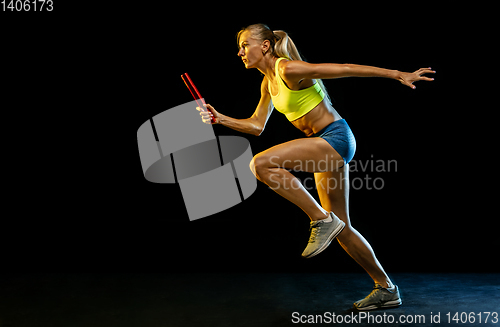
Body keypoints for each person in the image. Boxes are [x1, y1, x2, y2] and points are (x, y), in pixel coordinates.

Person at [196, 23, 434, 310]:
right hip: (322, 144)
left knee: (261, 164)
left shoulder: (287, 69)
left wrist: (396, 74)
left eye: (245, 44)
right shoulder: (268, 82)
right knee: (343, 228)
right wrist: (220, 118)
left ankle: (321, 220)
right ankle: (387, 288)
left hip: (335, 138)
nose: (240, 52)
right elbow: (257, 126)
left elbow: (343, 68)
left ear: (266, 46)